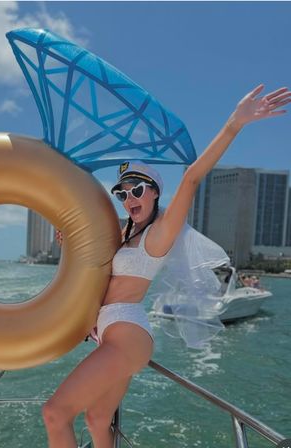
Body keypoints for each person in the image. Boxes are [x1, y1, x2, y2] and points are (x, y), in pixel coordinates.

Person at [42, 84, 290, 448]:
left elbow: (191, 177)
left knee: (54, 413)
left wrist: (235, 123)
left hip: (127, 335)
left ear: (156, 191)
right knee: (97, 420)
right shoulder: (122, 234)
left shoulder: (158, 235)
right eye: (123, 193)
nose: (129, 198)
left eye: (138, 189)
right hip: (109, 334)